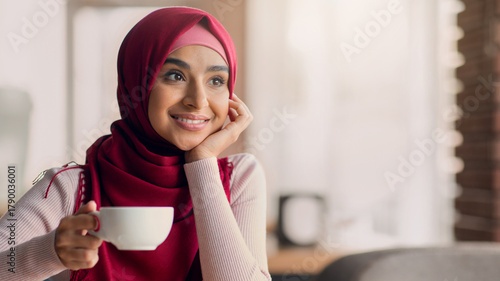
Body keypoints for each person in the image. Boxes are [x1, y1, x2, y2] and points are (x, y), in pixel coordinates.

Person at [0, 7, 271, 281]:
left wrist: (202, 163)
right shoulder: (73, 187)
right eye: (175, 76)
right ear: (137, 82)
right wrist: (50, 252)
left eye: (216, 80)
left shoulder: (238, 179)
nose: (198, 100)